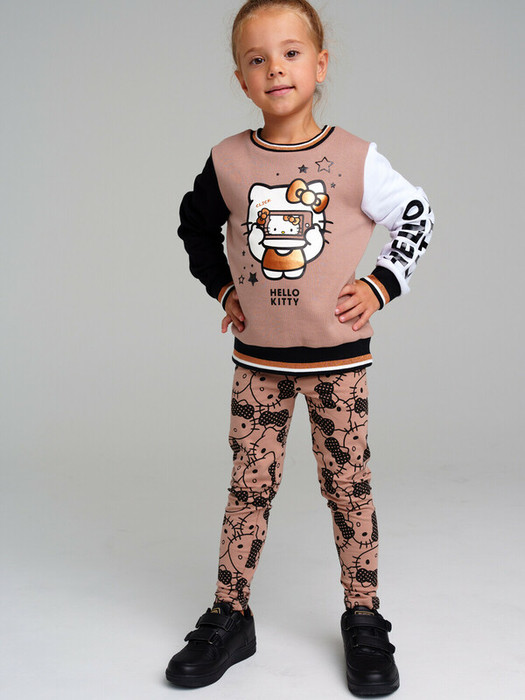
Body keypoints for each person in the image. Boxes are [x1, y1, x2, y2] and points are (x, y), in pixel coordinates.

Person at [165, 0, 433, 695]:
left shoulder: (354, 158)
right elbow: (195, 226)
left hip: (338, 365)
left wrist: (380, 284)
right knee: (248, 487)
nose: (274, 69)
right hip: (259, 364)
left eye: (290, 53)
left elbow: (415, 212)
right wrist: (223, 288)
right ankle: (230, 615)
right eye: (257, 59)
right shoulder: (228, 160)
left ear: (320, 64)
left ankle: (364, 616)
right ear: (241, 79)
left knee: (348, 486)